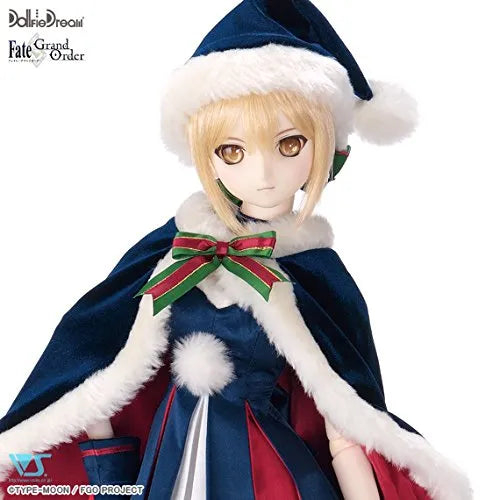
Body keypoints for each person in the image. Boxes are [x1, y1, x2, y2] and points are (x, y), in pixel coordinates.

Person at [0, 1, 472, 499]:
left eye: (289, 145)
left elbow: (345, 412)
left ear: (327, 148)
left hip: (263, 457)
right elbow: (102, 362)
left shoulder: (313, 273)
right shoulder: (173, 253)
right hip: (170, 451)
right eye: (232, 151)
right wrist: (101, 463)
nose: (262, 174)